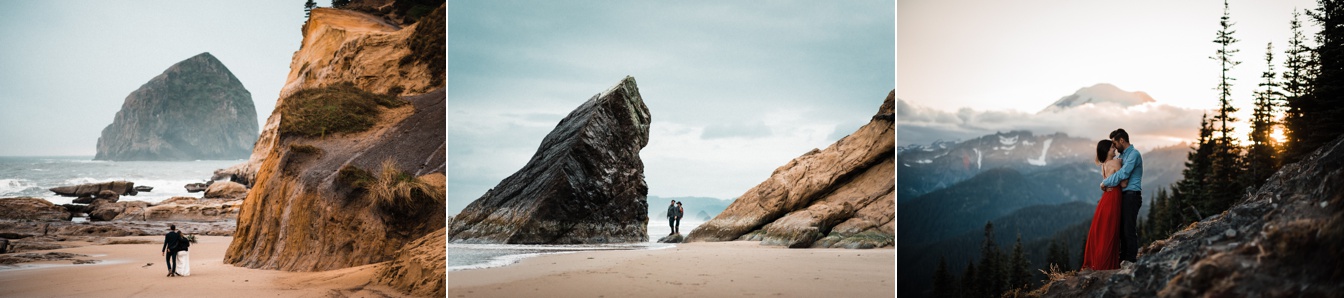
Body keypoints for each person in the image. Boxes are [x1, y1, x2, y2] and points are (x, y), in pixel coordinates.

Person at [1100, 129, 1143, 263]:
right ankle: (1122, 258)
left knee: (1128, 228)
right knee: (1121, 229)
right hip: (1122, 196)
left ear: (1121, 141)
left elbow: (1123, 174)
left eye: (1114, 143)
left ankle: (1130, 260)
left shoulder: (1134, 155)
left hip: (1131, 196)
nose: (1113, 146)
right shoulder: (1123, 156)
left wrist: (1105, 182)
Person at [1082, 140, 1126, 270]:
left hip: (1106, 198)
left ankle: (1098, 262)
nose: (1115, 149)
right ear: (1106, 150)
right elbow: (1123, 184)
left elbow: (1105, 183)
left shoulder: (1103, 165)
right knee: (1111, 231)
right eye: (1112, 147)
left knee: (1103, 231)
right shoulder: (1116, 162)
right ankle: (1106, 264)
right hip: (1114, 198)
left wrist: (1104, 185)